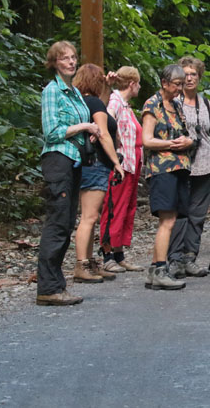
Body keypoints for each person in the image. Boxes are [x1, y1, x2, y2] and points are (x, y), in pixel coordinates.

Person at [36, 41, 100, 306]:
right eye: (64, 58)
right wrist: (85, 125)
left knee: (66, 222)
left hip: (75, 161)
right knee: (57, 223)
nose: (71, 62)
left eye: (74, 57)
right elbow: (51, 132)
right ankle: (48, 287)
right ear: (54, 62)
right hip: (58, 160)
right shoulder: (53, 91)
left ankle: (56, 284)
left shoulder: (74, 93)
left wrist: (89, 134)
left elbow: (76, 127)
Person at [168, 57, 210, 279]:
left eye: (193, 74)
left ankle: (190, 257)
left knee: (198, 215)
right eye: (186, 74)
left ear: (199, 77)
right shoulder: (174, 102)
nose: (189, 78)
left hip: (206, 163)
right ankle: (174, 258)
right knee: (179, 212)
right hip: (182, 164)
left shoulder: (205, 102)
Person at [141, 64, 195, 290]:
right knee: (167, 220)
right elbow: (147, 140)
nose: (180, 89)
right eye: (176, 85)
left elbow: (186, 134)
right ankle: (161, 270)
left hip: (180, 166)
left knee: (173, 218)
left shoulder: (176, 105)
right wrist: (171, 144)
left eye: (182, 85)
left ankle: (154, 270)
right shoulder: (152, 105)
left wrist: (188, 141)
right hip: (162, 168)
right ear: (164, 83)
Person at [70, 64, 125, 283]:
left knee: (89, 217)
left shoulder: (83, 102)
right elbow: (103, 134)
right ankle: (82, 264)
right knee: (89, 217)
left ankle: (90, 262)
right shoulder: (92, 102)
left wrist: (107, 87)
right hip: (96, 165)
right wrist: (116, 163)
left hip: (85, 164)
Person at [101, 66, 145, 272]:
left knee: (127, 208)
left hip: (131, 164)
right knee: (115, 208)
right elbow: (107, 125)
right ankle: (107, 255)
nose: (140, 87)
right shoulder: (115, 102)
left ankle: (119, 254)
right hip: (120, 164)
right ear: (132, 83)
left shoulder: (125, 105)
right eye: (138, 83)